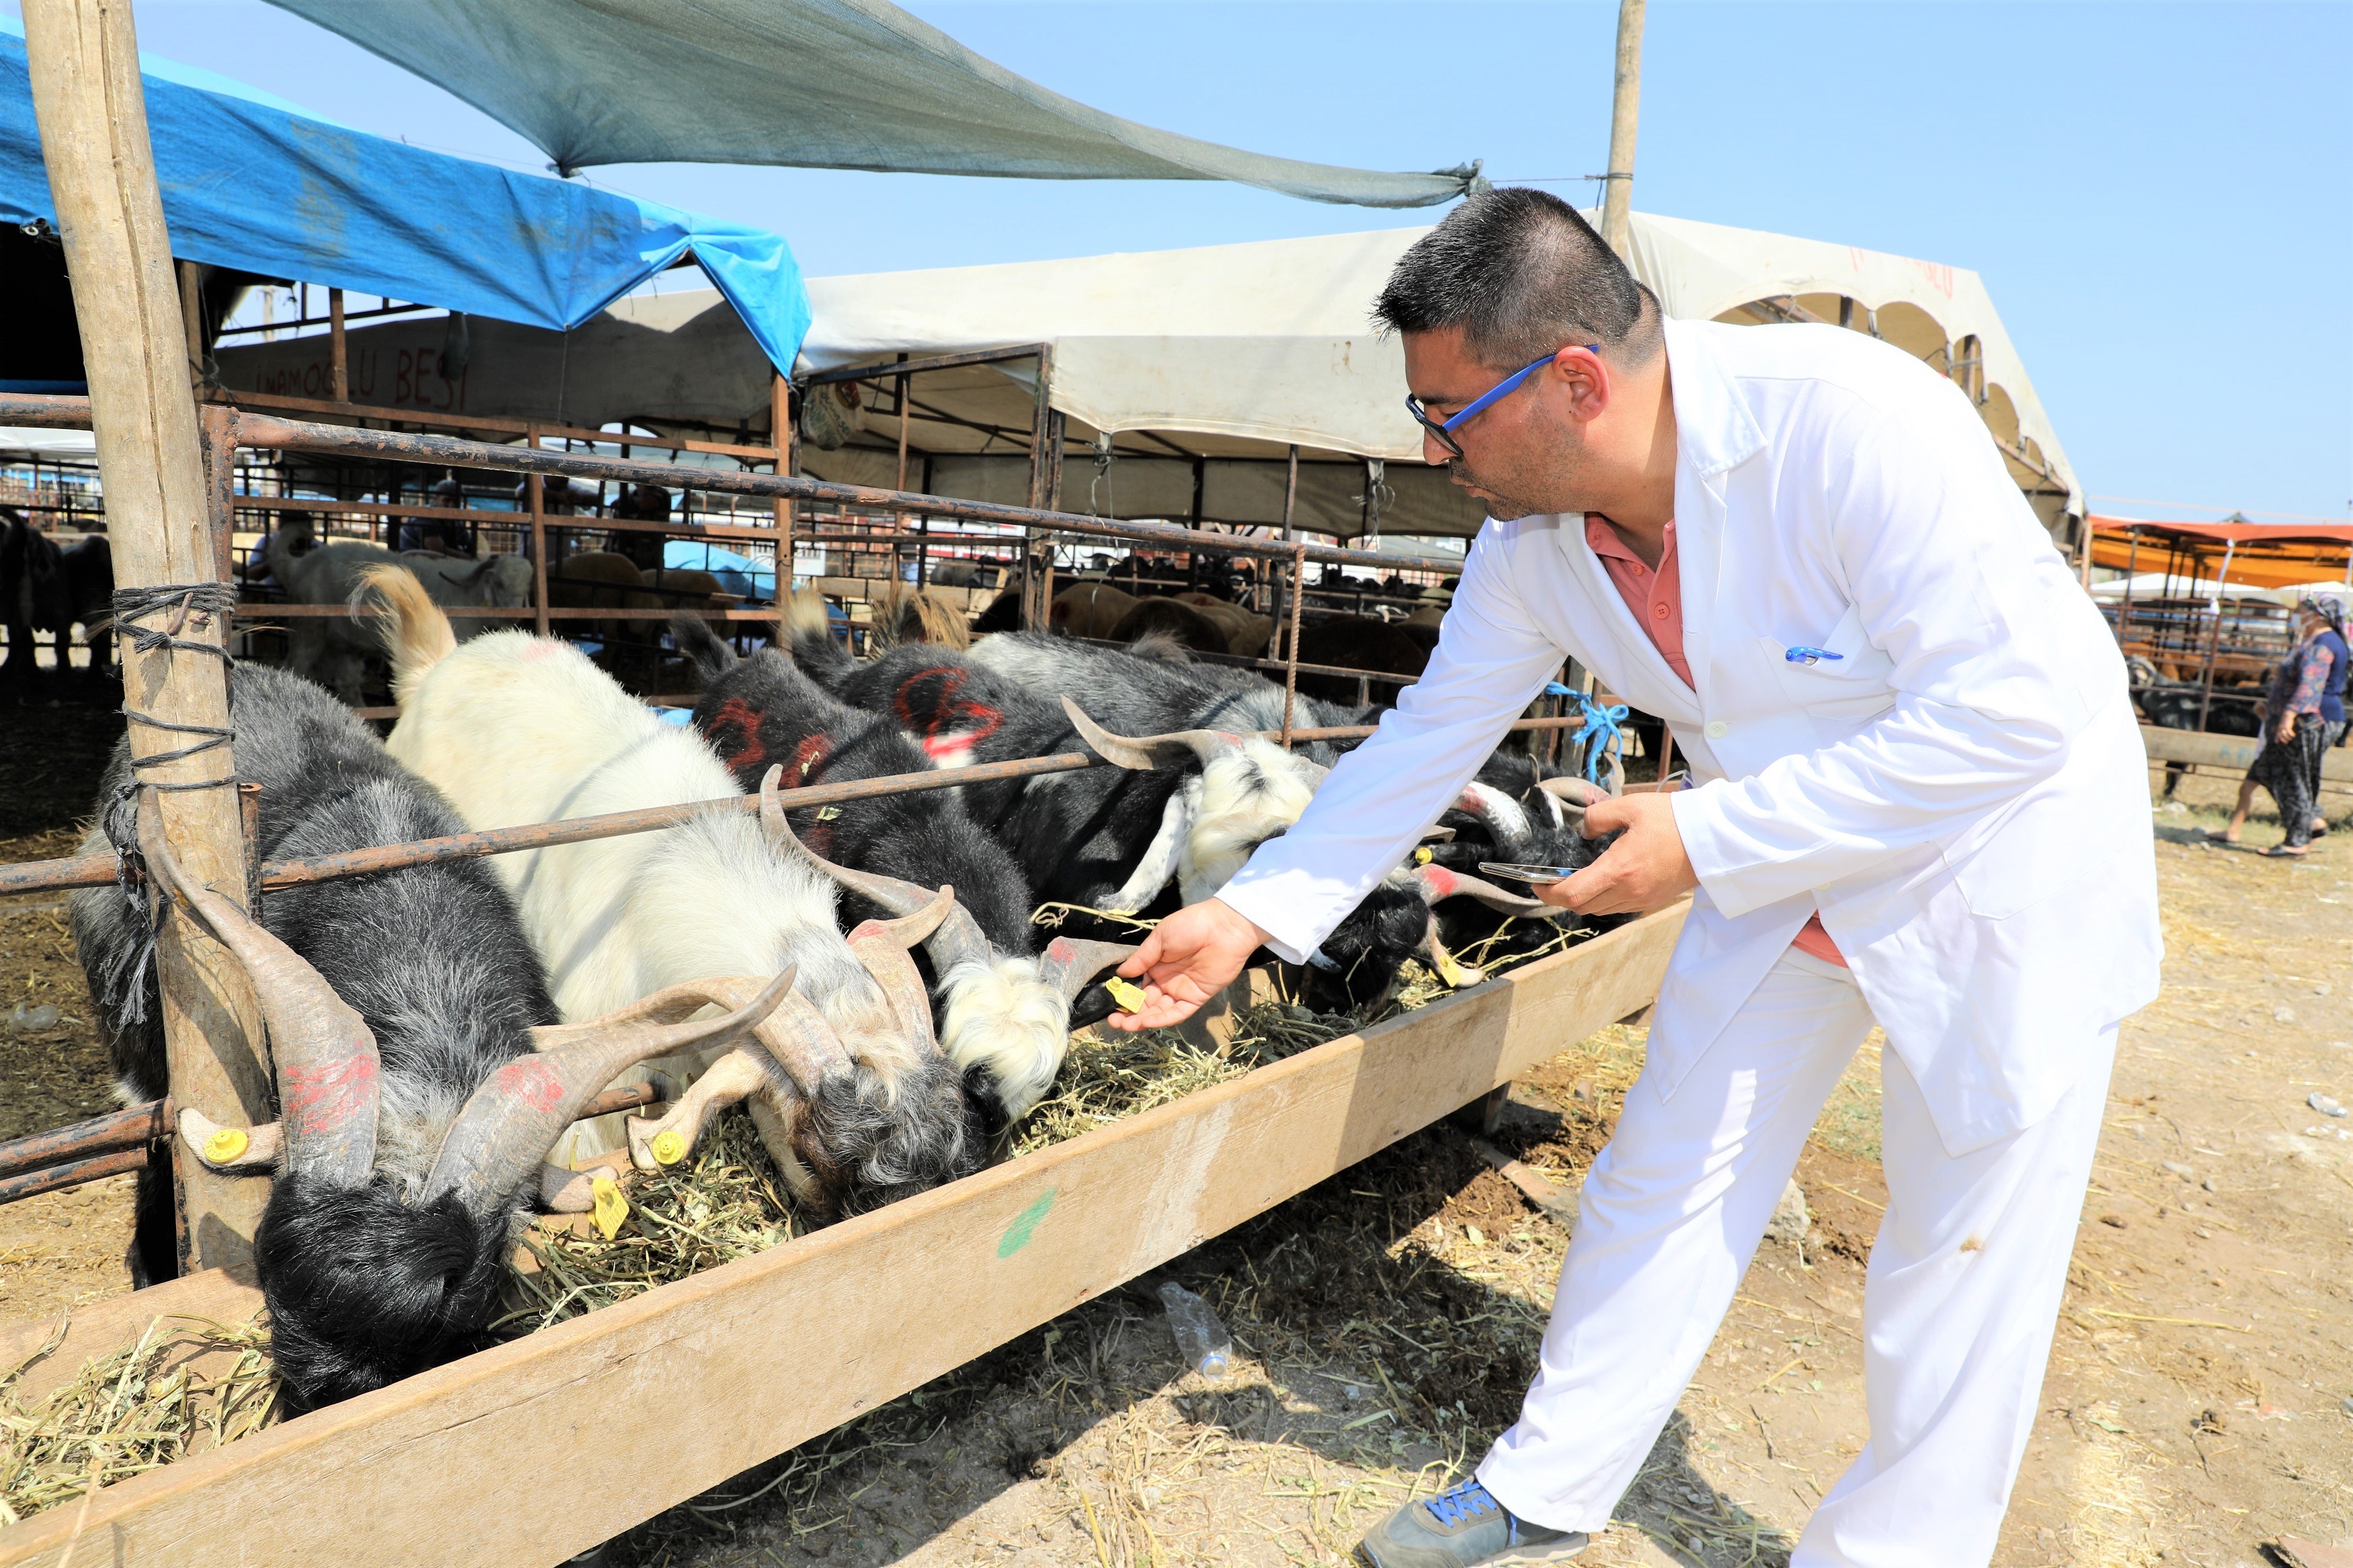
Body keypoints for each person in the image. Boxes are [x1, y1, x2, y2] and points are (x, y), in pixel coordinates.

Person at [1105, 190, 2159, 1568]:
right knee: (1661, 1170)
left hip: (1994, 865)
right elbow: (1429, 733)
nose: (1434, 448)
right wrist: (1254, 907)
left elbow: (2015, 710)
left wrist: (1707, 838)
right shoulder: (1531, 542)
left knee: (1957, 1252)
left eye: (1447, 413)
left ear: (1577, 381)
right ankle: (1548, 1482)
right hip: (1784, 865)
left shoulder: (1848, 423)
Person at [2219, 597, 2340, 856]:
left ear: (2317, 615)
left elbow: (2310, 686)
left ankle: (2298, 841)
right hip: (2294, 720)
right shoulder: (2312, 642)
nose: (2297, 616)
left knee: (2294, 777)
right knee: (2266, 770)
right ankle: (2312, 823)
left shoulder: (2323, 644)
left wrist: (2287, 717)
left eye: (2301, 612)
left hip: (2308, 722)